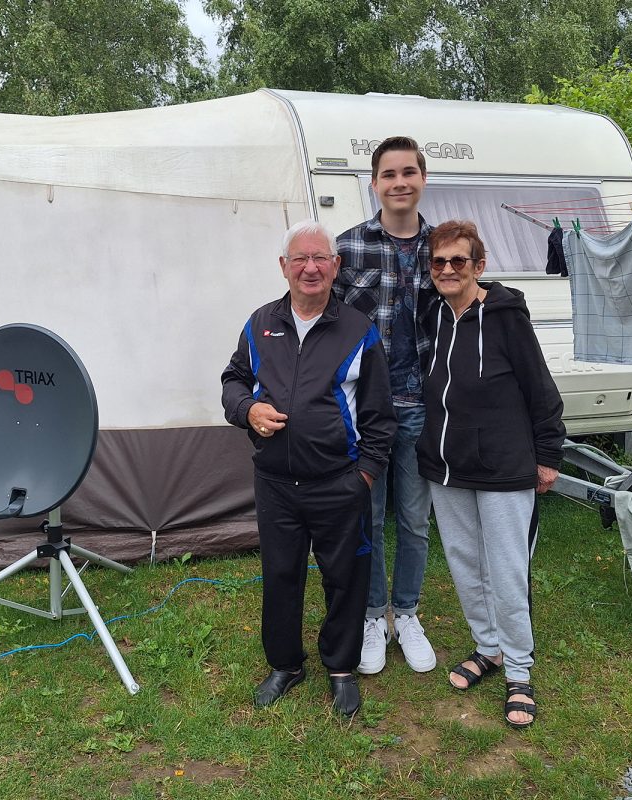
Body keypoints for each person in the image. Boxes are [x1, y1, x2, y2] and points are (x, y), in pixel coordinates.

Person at [221, 220, 396, 717]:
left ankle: (341, 669)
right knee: (280, 574)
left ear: (336, 266)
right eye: (300, 259)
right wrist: (247, 411)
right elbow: (233, 379)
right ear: (284, 267)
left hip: (338, 482)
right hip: (275, 483)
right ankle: (285, 665)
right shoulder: (260, 323)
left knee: (345, 576)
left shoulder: (358, 329)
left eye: (321, 258)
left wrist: (363, 475)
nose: (311, 268)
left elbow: (381, 416)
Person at [415, 220, 565, 730]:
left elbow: (540, 389)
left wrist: (547, 456)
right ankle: (488, 648)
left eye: (459, 261)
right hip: (447, 467)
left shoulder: (505, 316)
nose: (448, 270)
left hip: (504, 468)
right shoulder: (432, 315)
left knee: (506, 569)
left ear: (479, 266)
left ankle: (519, 671)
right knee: (463, 562)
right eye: (439, 261)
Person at [335, 135, 438, 675]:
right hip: (368, 410)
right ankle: (374, 616)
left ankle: (408, 612)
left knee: (416, 520)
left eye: (409, 173)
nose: (400, 183)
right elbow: (327, 327)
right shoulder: (348, 247)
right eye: (389, 174)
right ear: (374, 184)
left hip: (422, 403)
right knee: (368, 518)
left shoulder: (442, 247)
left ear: (423, 180)